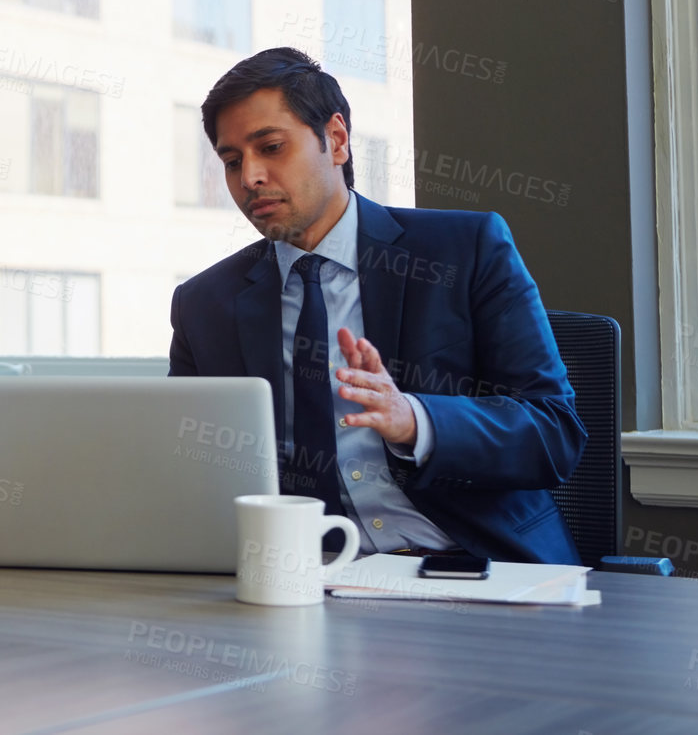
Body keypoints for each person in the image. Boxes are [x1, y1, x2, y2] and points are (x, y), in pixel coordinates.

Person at [169, 47, 585, 564]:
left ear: (337, 140)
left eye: (271, 147)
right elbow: (190, 472)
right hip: (305, 583)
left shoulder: (465, 249)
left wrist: (414, 419)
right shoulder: (204, 303)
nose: (249, 177)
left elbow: (554, 431)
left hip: (470, 567)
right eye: (232, 162)